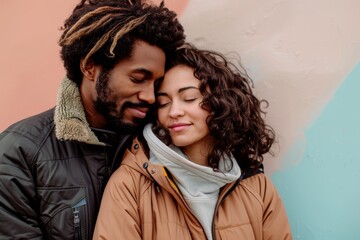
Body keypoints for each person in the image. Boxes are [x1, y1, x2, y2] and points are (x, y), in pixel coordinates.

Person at [0, 0, 185, 239]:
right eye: (138, 78)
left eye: (157, 84)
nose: (150, 96)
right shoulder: (20, 152)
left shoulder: (160, 141)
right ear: (89, 67)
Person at [93, 43, 292, 239]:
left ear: (220, 103)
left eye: (188, 98)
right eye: (164, 103)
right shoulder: (129, 185)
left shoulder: (257, 187)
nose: (174, 112)